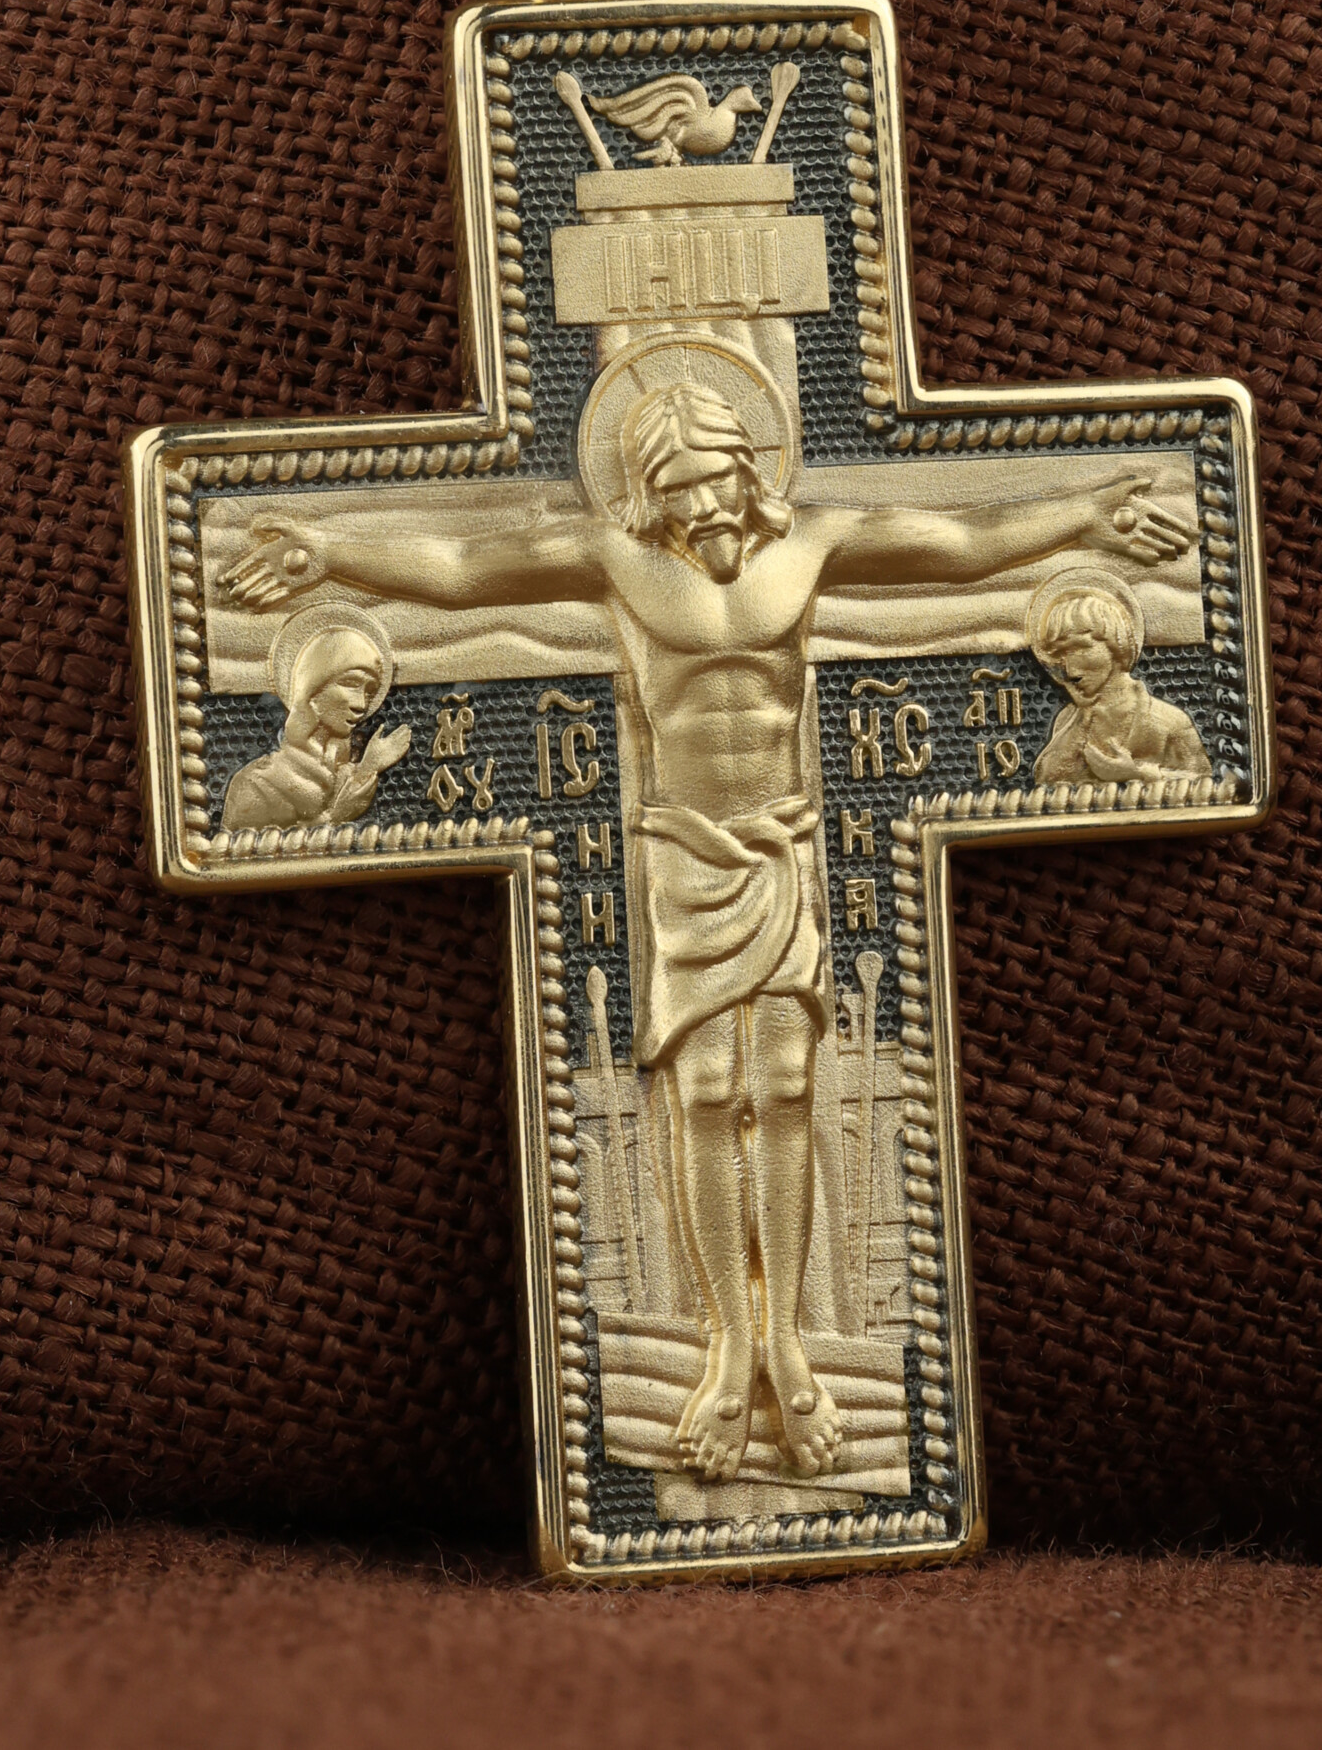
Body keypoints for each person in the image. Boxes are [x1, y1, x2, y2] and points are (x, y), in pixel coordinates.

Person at [225, 382, 1192, 1483]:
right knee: (700, 1091)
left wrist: (1084, 512)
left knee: (783, 1083)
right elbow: (459, 566)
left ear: (750, 465)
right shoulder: (616, 558)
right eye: (683, 493)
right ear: (649, 493)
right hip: (686, 855)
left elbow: (961, 544)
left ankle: (786, 1342)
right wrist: (328, 550)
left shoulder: (813, 540)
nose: (711, 511)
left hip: (780, 849)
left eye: (722, 482)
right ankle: (730, 1344)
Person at [220, 622, 412, 832]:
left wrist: (369, 766)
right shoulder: (256, 784)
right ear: (313, 686)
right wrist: (334, 817)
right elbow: (244, 850)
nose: (362, 705)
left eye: (369, 692)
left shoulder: (341, 772)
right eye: (350, 683)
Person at [1029, 577, 1211, 786]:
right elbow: (1044, 781)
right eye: (1061, 655)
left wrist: (1138, 773)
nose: (1069, 669)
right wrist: (1082, 719)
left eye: (1080, 649)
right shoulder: (1068, 719)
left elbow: (1205, 782)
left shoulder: (1169, 722)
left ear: (1116, 643)